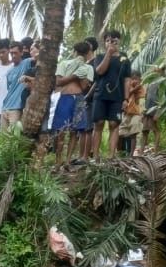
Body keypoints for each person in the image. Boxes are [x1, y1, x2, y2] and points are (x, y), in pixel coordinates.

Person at [53, 43, 95, 166]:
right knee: (61, 131)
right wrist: (75, 75)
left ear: (74, 51)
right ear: (88, 53)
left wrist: (79, 74)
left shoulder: (88, 68)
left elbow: (84, 86)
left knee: (74, 131)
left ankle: (66, 162)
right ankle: (58, 161)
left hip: (78, 98)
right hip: (65, 98)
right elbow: (59, 82)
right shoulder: (64, 63)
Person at [91, 30, 131, 159]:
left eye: (113, 40)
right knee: (99, 123)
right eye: (108, 40)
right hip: (101, 95)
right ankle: (96, 156)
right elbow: (100, 71)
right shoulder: (99, 57)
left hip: (117, 97)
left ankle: (111, 156)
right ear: (104, 43)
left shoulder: (125, 59)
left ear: (119, 41)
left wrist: (126, 98)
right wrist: (109, 53)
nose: (111, 43)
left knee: (114, 124)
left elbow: (127, 80)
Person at [0, 42, 30, 130]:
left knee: (13, 139)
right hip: (5, 107)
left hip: (17, 108)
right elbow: (9, 89)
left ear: (21, 53)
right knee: (2, 141)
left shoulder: (26, 62)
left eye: (15, 53)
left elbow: (38, 56)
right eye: (11, 53)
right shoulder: (9, 71)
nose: (13, 55)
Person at [119, 70, 147, 155]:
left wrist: (142, 113)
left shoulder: (141, 88)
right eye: (132, 79)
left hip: (136, 113)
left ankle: (131, 154)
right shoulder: (128, 87)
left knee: (133, 133)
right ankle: (119, 152)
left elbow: (142, 99)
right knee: (120, 133)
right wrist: (135, 88)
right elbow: (128, 93)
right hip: (127, 112)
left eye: (136, 79)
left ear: (140, 79)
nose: (134, 81)